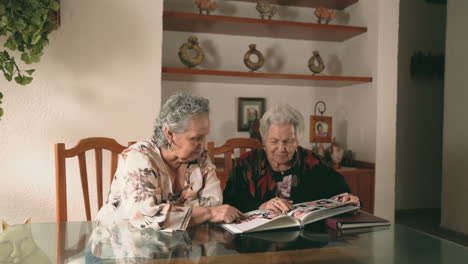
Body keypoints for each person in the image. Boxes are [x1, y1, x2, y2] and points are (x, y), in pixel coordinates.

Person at [96, 94, 243, 231]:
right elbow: (146, 218)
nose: (203, 145)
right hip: (115, 246)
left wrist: (172, 213)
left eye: (204, 137)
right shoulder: (138, 157)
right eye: (195, 138)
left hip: (174, 245)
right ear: (169, 134)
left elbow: (215, 203)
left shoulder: (200, 156)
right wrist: (207, 213)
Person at [223, 104, 359, 213]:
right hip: (256, 242)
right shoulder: (245, 164)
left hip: (306, 240)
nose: (281, 148)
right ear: (264, 142)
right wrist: (261, 207)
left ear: (297, 141)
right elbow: (230, 204)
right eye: (274, 141)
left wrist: (347, 198)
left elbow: (340, 191)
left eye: (288, 141)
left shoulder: (313, 162)